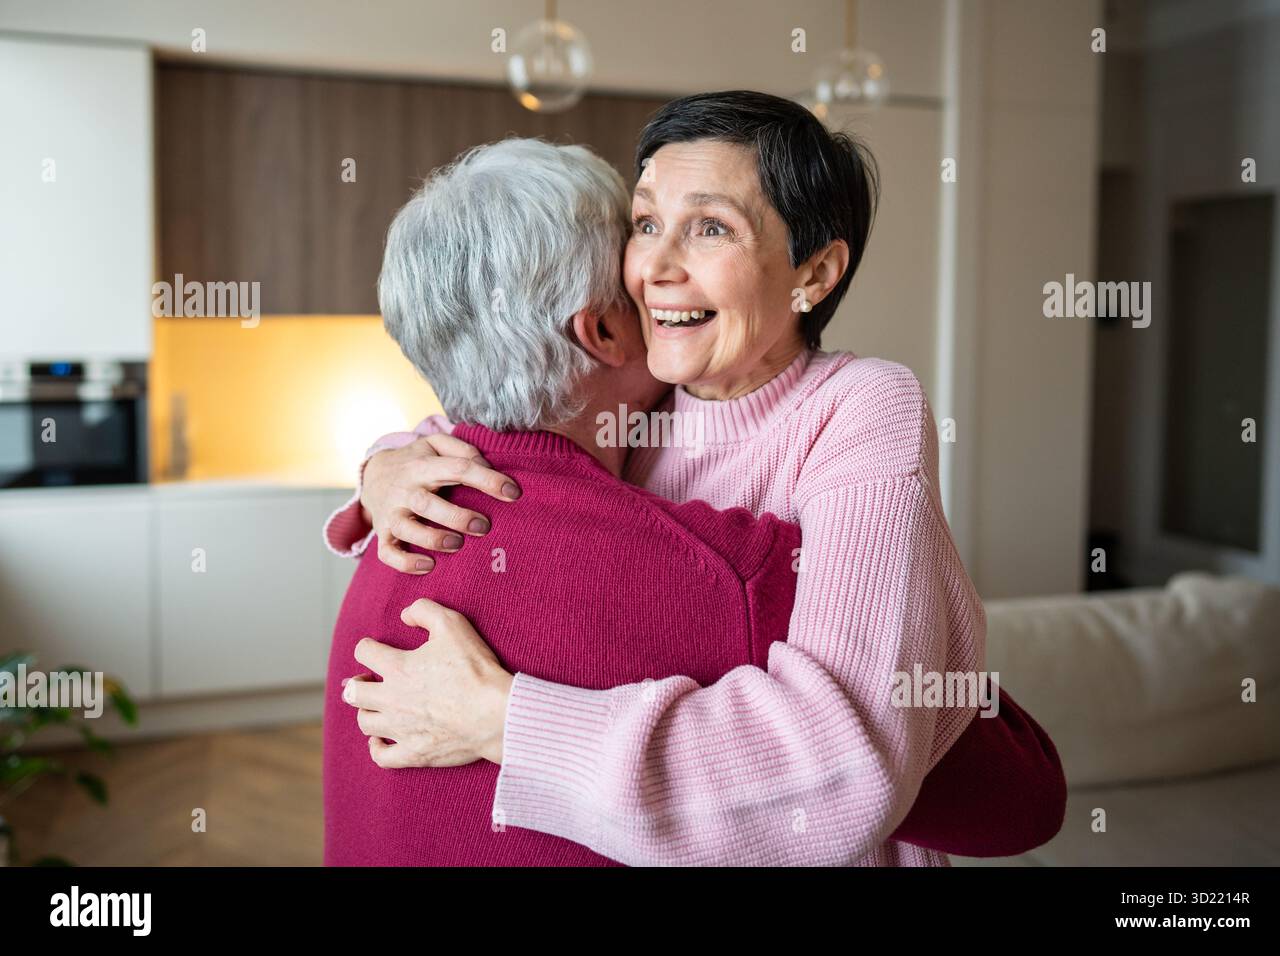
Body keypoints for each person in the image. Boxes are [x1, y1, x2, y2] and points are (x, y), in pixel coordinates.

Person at [329, 93, 1066, 866]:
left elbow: (846, 759)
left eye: (710, 228)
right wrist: (383, 467)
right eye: (645, 224)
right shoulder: (640, 401)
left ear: (813, 272)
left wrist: (505, 719)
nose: (656, 267)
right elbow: (498, 415)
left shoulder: (861, 405)